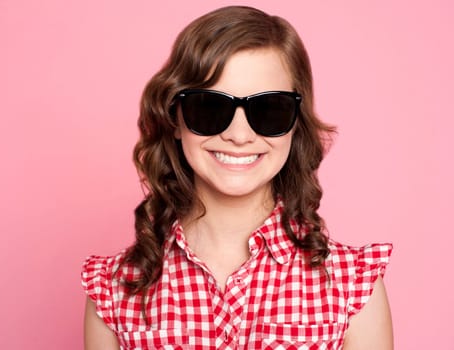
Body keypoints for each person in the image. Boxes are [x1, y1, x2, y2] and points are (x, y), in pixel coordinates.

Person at [82, 5, 393, 349]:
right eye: (210, 107)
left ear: (295, 124)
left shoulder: (352, 286)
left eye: (269, 109)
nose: (239, 134)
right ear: (174, 119)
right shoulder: (113, 288)